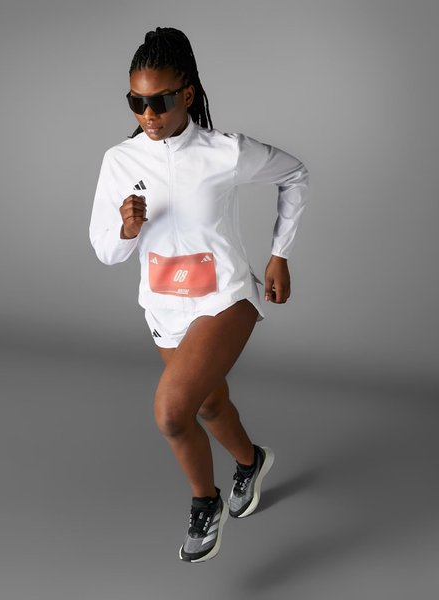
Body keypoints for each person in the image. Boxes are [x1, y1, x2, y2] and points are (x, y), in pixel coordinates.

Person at [89, 27, 309, 563]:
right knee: (208, 402)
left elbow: (294, 173)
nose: (148, 114)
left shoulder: (224, 152)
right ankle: (251, 462)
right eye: (137, 102)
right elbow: (106, 253)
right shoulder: (119, 161)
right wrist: (125, 229)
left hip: (224, 297)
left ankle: (204, 502)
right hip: (164, 306)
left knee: (171, 412)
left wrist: (279, 253)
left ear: (186, 95)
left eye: (160, 101)